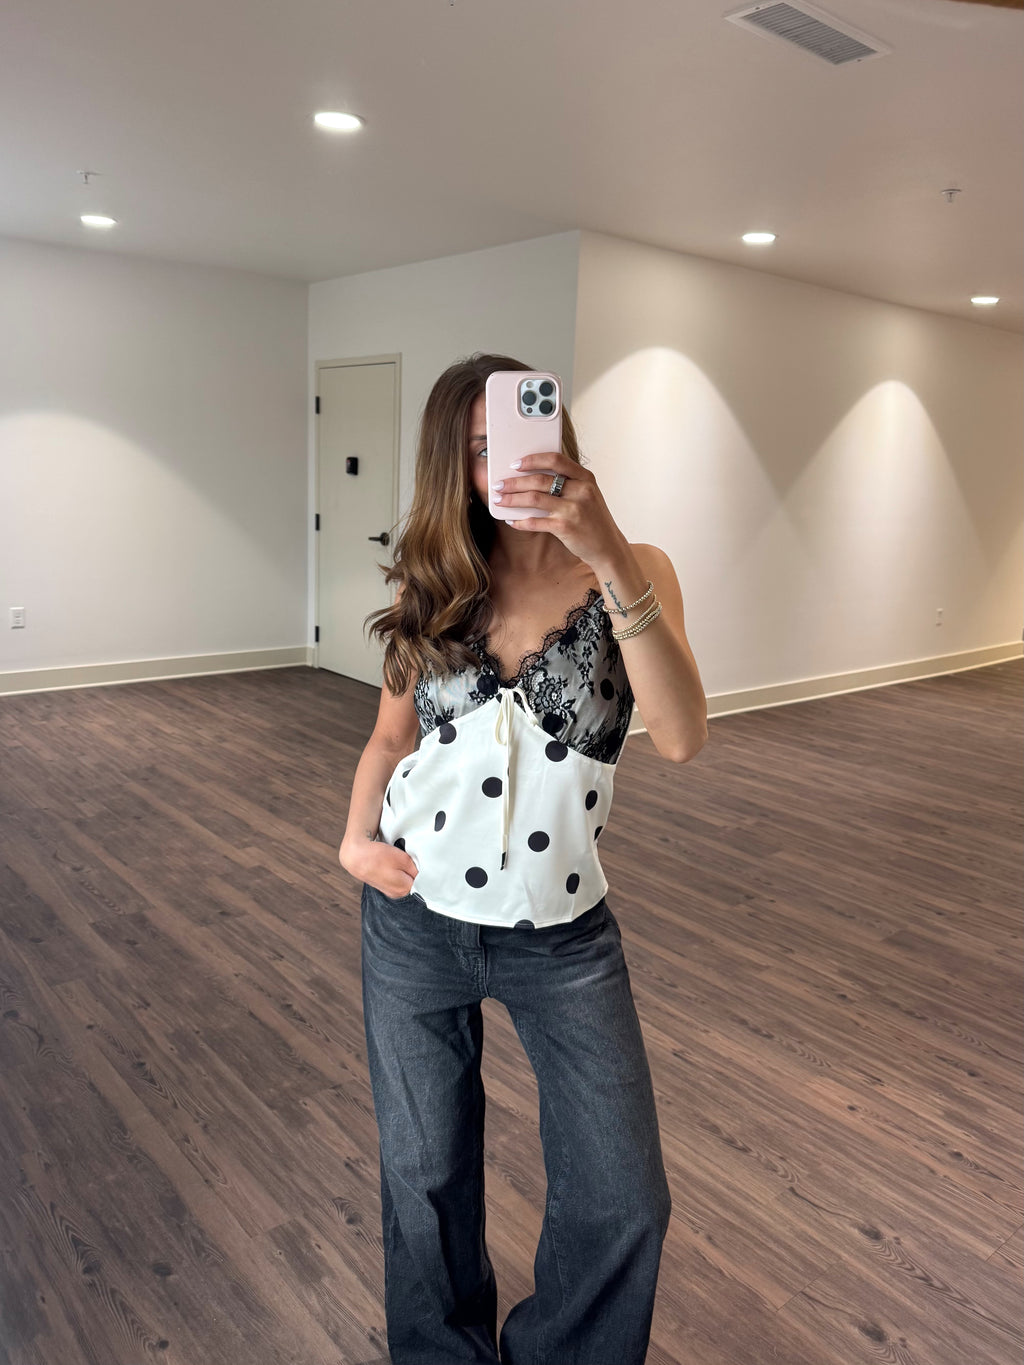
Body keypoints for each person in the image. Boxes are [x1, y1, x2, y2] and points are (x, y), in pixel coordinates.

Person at [339, 352, 707, 1365]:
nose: (498, 464)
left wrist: (609, 553)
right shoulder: (436, 580)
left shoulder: (634, 569)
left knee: (625, 1192)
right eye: (472, 453)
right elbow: (387, 739)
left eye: (515, 437)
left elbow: (679, 736)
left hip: (564, 933)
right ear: (447, 471)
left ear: (560, 442)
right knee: (423, 1174)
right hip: (415, 920)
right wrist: (354, 841)